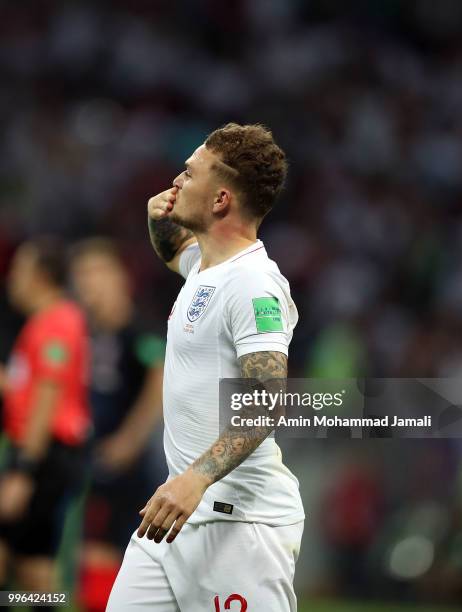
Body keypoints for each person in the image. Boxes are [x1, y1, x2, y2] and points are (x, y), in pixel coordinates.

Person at [107, 123, 304, 611]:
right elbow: (173, 249)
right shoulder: (205, 266)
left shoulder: (254, 284)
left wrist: (195, 478)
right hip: (173, 518)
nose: (175, 181)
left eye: (188, 173)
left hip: (239, 526)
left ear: (219, 201)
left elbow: (267, 399)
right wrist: (160, 217)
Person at [70, 238, 166, 612]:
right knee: (91, 554)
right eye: (81, 276)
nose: (88, 283)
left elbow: (159, 377)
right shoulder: (86, 332)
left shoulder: (138, 329)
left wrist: (129, 440)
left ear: (119, 277)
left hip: (130, 461)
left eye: (96, 273)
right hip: (91, 455)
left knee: (110, 552)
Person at [0, 238, 90, 599]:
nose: (11, 280)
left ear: (41, 276)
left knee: (35, 569)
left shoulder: (56, 321)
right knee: (22, 563)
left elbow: (47, 400)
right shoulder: (42, 322)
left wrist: (23, 470)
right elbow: (30, 387)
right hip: (38, 452)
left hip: (43, 455)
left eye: (19, 270)